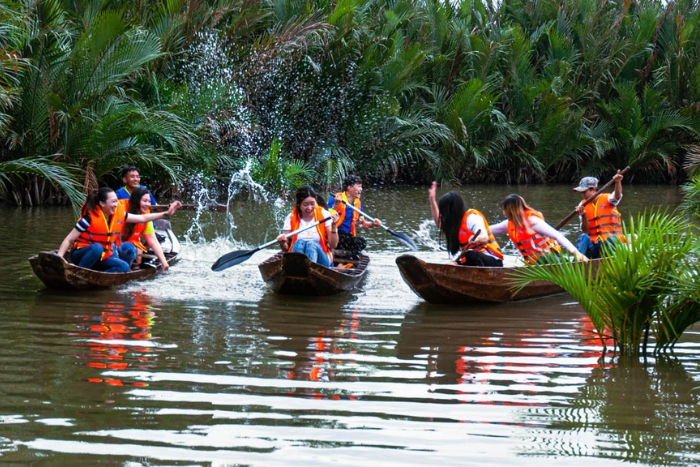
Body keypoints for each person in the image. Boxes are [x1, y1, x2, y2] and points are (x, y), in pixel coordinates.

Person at [57, 187, 181, 272]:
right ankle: (79, 273)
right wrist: (59, 259)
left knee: (124, 266)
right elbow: (68, 240)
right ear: (102, 203)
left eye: (117, 201)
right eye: (113, 202)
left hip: (102, 256)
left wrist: (166, 213)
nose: (117, 205)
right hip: (81, 254)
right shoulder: (88, 218)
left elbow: (143, 218)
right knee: (97, 248)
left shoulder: (119, 215)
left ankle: (99, 277)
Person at [490, 194, 588, 265]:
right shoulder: (508, 224)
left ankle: (576, 261)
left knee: (544, 257)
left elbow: (557, 235)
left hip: (550, 259)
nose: (503, 212)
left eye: (504, 209)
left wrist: (576, 253)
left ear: (511, 210)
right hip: (532, 264)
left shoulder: (533, 221)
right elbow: (488, 229)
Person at [428, 181, 504, 266]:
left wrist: (477, 238)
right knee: (450, 265)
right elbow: (440, 224)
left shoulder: (471, 218)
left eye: (444, 211)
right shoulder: (456, 222)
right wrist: (432, 200)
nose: (442, 214)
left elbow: (485, 237)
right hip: (473, 260)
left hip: (492, 261)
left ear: (452, 210)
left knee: (469, 254)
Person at [277, 185, 339, 267]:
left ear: (316, 200)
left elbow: (333, 245)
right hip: (296, 256)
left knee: (311, 245)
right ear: (299, 204)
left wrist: (334, 225)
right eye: (305, 204)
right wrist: (282, 243)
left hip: (321, 261)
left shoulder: (324, 215)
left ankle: (309, 271)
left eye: (312, 204)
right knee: (299, 243)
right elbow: (285, 248)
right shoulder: (291, 217)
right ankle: (297, 269)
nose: (309, 208)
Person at [573, 171, 625, 259]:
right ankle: (575, 263)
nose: (583, 195)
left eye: (584, 192)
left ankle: (611, 263)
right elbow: (586, 230)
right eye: (581, 193)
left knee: (611, 240)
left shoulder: (608, 199)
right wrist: (583, 215)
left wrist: (617, 182)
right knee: (583, 237)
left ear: (593, 190)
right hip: (594, 247)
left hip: (610, 244)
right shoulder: (582, 205)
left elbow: (617, 196)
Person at [327, 175, 381, 259]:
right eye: (359, 186)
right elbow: (326, 217)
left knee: (361, 242)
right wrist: (336, 205)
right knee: (345, 237)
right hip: (335, 233)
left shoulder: (358, 204)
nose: (361, 189)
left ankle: (343, 261)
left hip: (348, 236)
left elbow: (361, 224)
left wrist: (373, 224)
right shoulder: (335, 198)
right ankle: (341, 259)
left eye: (361, 187)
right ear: (349, 187)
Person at [121, 187, 172, 271]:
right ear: (135, 201)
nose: (148, 204)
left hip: (132, 248)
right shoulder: (121, 210)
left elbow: (153, 240)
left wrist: (164, 263)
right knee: (130, 248)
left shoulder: (146, 215)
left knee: (136, 248)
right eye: (144, 201)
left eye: (149, 201)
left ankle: (134, 266)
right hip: (117, 247)